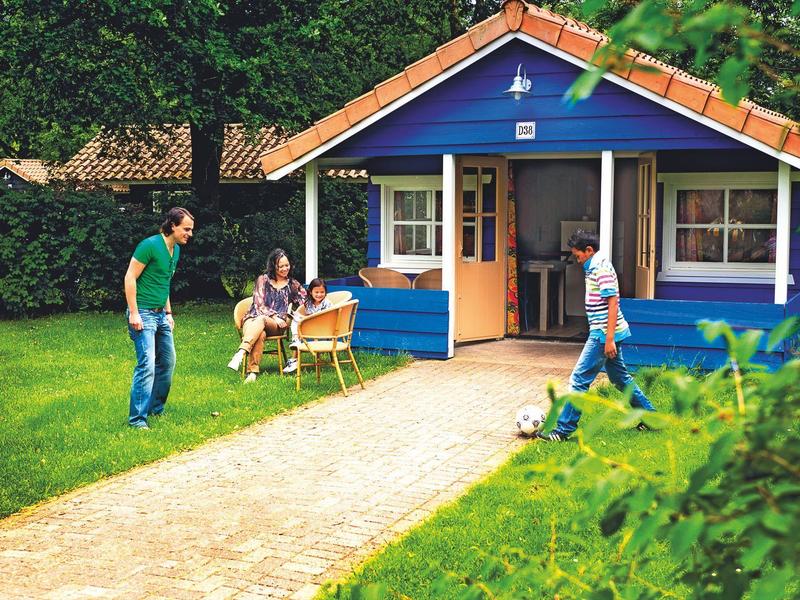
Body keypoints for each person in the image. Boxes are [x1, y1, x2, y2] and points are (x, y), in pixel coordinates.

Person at [538, 230, 656, 441]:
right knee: (620, 378)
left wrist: (609, 339)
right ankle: (652, 418)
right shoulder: (593, 266)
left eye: (578, 255)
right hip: (607, 331)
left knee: (579, 379)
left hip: (603, 333)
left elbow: (613, 302)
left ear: (589, 250)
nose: (577, 259)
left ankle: (563, 430)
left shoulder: (600, 268)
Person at [124, 207, 194, 429]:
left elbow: (164, 284)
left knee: (168, 361)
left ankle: (155, 409)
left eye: (191, 230)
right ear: (173, 226)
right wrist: (134, 312)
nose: (189, 234)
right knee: (147, 365)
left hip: (161, 314)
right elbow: (130, 277)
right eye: (186, 229)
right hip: (142, 313)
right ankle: (137, 420)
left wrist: (169, 313)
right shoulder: (150, 245)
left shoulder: (176, 250)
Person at [227, 248, 306, 383]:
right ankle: (252, 373)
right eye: (280, 266)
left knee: (262, 319)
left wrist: (292, 315)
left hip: (276, 324)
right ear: (273, 266)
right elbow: (258, 304)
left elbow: (305, 302)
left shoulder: (292, 284)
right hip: (252, 319)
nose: (284, 268)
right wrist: (274, 315)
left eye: (286, 265)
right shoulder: (262, 280)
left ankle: (241, 353)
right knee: (260, 333)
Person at [282, 278, 332, 374]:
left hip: (323, 329)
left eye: (322, 292)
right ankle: (296, 342)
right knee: (296, 320)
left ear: (325, 292)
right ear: (310, 292)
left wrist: (309, 318)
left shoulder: (327, 303)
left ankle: (294, 358)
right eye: (316, 292)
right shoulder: (308, 303)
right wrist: (299, 316)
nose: (319, 294)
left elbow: (329, 317)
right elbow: (306, 314)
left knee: (300, 322)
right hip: (310, 328)